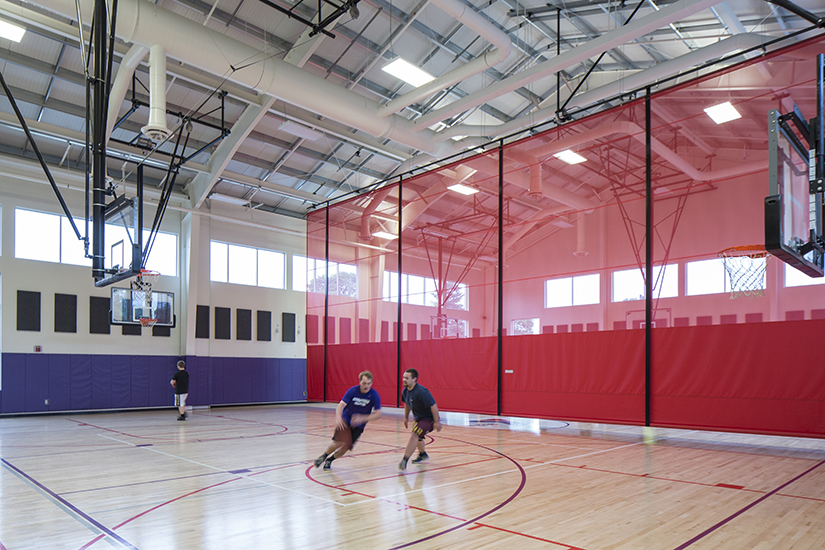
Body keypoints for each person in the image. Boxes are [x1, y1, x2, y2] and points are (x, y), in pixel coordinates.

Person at [313, 371, 382, 471]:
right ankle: (323, 456)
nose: (366, 386)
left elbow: (378, 414)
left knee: (345, 447)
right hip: (346, 420)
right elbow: (341, 405)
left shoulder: (374, 395)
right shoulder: (352, 391)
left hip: (359, 426)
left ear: (371, 383)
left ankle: (330, 460)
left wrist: (363, 418)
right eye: (364, 383)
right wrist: (338, 417)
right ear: (360, 382)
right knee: (338, 442)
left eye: (368, 383)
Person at [399, 368, 441, 470]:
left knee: (414, 435)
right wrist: (405, 417)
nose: (404, 380)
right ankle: (422, 454)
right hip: (418, 419)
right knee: (418, 439)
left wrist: (436, 422)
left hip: (428, 419)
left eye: (407, 378)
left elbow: (433, 406)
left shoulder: (422, 391)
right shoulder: (405, 391)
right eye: (403, 377)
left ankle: (404, 460)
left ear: (414, 379)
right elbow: (407, 404)